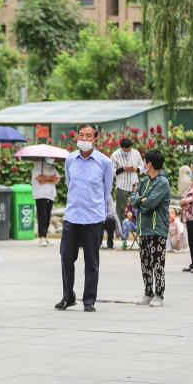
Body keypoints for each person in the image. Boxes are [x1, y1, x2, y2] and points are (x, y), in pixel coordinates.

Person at [56, 123, 113, 312]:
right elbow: (69, 183)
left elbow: (106, 190)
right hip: (72, 216)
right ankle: (68, 296)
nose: (84, 139)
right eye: (81, 135)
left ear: (96, 139)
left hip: (93, 218)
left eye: (88, 136)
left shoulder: (104, 162)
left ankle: (89, 299)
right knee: (66, 257)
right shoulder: (70, 160)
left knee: (91, 261)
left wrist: (100, 211)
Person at [130, 150, 171, 307]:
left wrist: (140, 201)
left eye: (144, 162)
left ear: (150, 164)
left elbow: (150, 204)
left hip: (157, 229)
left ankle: (159, 295)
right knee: (145, 263)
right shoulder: (144, 181)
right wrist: (140, 199)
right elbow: (133, 198)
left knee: (157, 263)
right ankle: (148, 293)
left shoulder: (162, 182)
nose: (143, 165)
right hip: (143, 228)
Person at [110, 138, 143, 226]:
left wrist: (136, 169)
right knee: (121, 210)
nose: (127, 152)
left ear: (131, 147)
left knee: (136, 209)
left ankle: (135, 228)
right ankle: (122, 232)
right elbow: (111, 171)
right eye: (125, 150)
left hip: (134, 186)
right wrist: (122, 169)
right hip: (121, 187)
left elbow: (143, 168)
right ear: (121, 148)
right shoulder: (115, 155)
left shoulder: (136, 153)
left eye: (129, 150)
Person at [32, 157, 59, 247]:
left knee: (47, 216)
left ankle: (46, 236)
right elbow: (39, 178)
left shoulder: (52, 167)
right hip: (40, 194)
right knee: (42, 215)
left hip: (50, 194)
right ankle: (41, 237)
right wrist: (50, 178)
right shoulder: (39, 165)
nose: (52, 159)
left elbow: (56, 179)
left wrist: (46, 179)